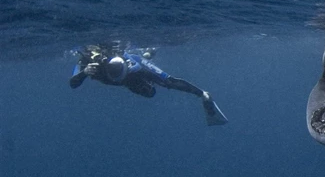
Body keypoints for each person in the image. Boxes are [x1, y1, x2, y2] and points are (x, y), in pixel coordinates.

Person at [70, 45, 228, 126]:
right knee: (149, 92)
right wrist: (83, 73)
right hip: (129, 78)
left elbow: (170, 81)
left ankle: (147, 54)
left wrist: (201, 94)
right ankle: (147, 55)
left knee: (151, 91)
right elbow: (73, 84)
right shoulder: (91, 64)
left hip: (135, 73)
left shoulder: (134, 64)